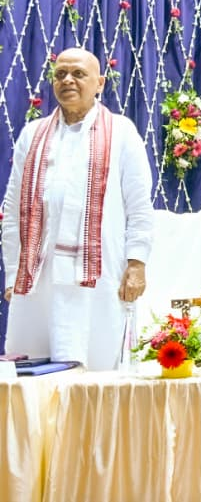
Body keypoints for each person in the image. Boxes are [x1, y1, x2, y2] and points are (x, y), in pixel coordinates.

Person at [1, 48, 153, 370]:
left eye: (78, 74)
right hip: (38, 280)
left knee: (96, 370)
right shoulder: (32, 135)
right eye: (60, 74)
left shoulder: (121, 132)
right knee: (32, 371)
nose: (67, 80)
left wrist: (137, 264)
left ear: (99, 83)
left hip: (97, 278)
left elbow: (140, 207)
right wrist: (13, 274)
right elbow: (13, 211)